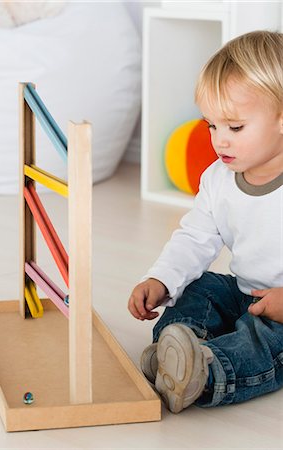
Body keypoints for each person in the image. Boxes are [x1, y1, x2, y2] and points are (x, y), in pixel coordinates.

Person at [128, 30, 283, 414]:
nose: (219, 141)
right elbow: (195, 237)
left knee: (264, 341)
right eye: (211, 125)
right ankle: (175, 352)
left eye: (235, 127)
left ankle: (207, 373)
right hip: (246, 292)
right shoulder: (217, 178)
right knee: (198, 287)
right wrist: (162, 279)